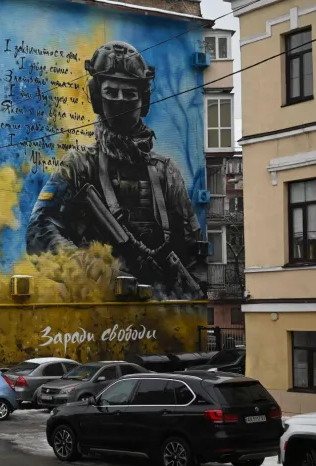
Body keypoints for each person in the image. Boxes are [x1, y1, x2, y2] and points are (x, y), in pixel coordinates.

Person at [25, 40, 207, 300]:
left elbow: (192, 251)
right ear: (97, 97)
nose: (121, 100)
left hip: (161, 312)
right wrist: (95, 271)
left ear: (143, 99)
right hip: (95, 310)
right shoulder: (79, 165)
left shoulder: (166, 173)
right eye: (111, 91)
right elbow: (40, 231)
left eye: (129, 93)